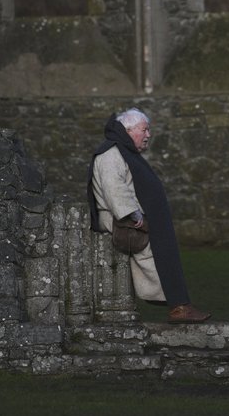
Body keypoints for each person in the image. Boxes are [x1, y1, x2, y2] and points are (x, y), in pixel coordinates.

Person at [87, 108, 211, 324]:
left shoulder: (121, 150)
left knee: (163, 254)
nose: (148, 135)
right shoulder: (110, 154)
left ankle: (180, 305)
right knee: (155, 256)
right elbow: (114, 187)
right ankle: (179, 307)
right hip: (125, 220)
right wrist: (133, 213)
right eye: (144, 130)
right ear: (129, 130)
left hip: (136, 217)